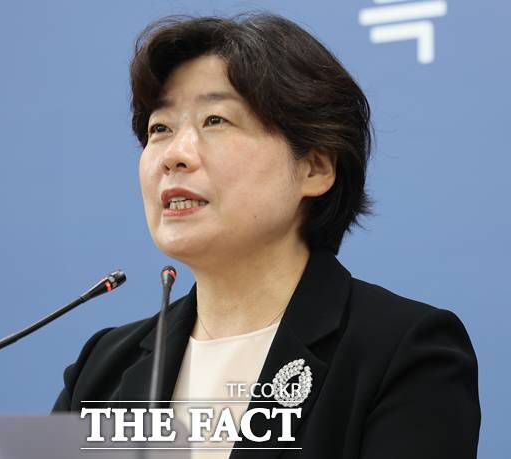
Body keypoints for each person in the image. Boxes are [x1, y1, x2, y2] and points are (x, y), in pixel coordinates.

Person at [52, 13, 480, 458]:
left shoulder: (401, 352)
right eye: (160, 128)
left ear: (315, 167)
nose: (174, 155)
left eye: (215, 120)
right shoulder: (103, 369)